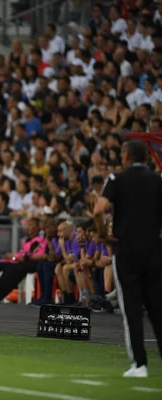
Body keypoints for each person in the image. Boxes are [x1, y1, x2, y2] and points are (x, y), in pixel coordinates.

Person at [93, 140, 162, 378]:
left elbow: (98, 210)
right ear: (146, 158)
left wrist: (103, 234)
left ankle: (140, 365)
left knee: (131, 307)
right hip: (154, 249)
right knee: (157, 307)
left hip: (126, 250)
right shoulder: (158, 180)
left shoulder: (116, 180)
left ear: (125, 157)